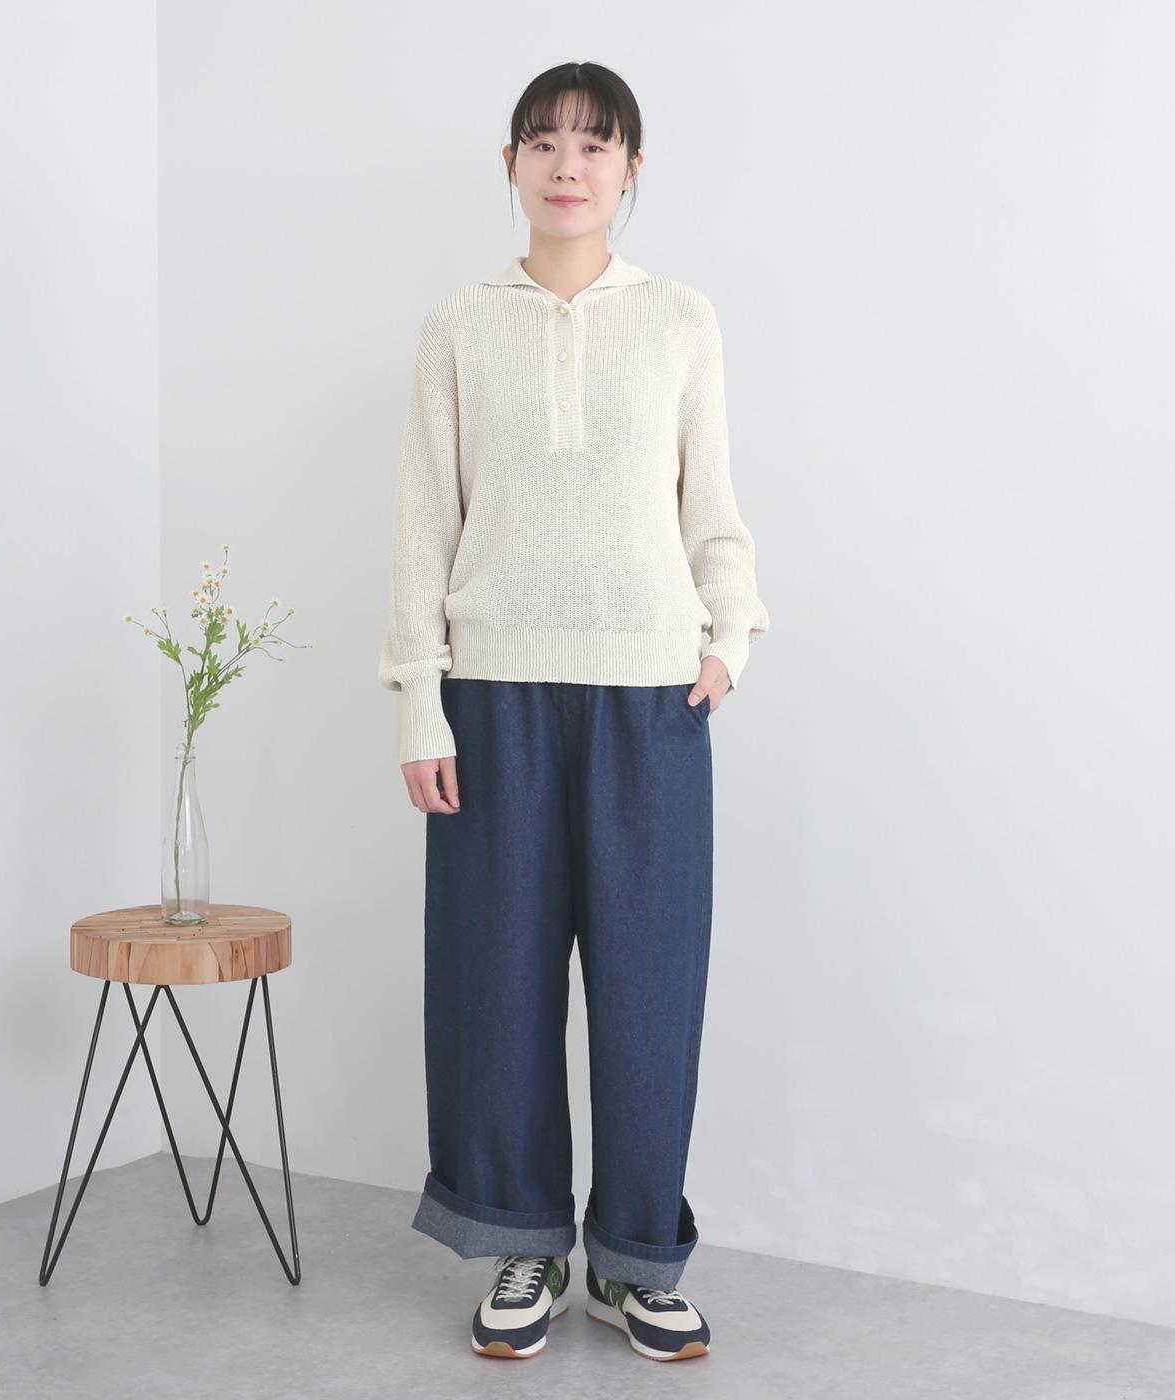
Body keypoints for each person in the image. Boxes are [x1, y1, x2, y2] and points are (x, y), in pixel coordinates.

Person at [378, 60, 768, 1362]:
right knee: (495, 985)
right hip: (492, 700)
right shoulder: (458, 326)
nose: (567, 165)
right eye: (543, 142)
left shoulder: (681, 320)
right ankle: (524, 1245)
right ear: (510, 164)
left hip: (652, 698)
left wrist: (730, 641)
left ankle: (639, 1260)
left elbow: (712, 506)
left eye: (595, 145)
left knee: (652, 992)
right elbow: (424, 526)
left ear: (631, 170)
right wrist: (420, 703)